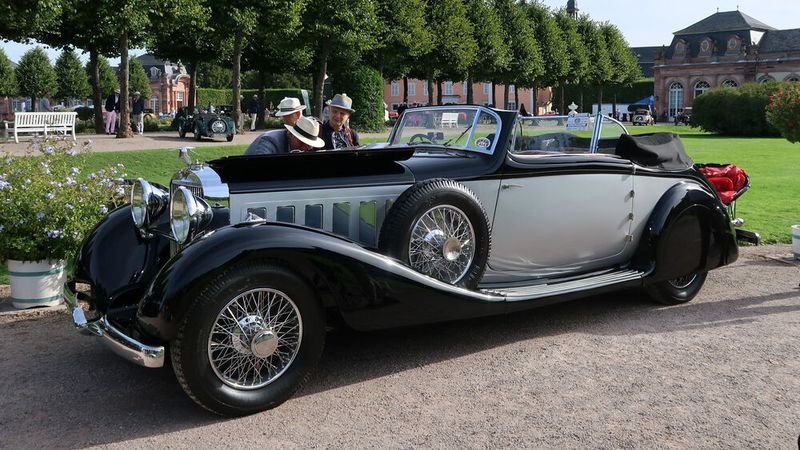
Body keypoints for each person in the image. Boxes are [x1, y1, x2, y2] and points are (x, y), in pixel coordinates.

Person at [244, 115, 325, 155]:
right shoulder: (270, 141)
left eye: (309, 145)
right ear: (291, 135)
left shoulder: (301, 149)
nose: (305, 148)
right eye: (302, 141)